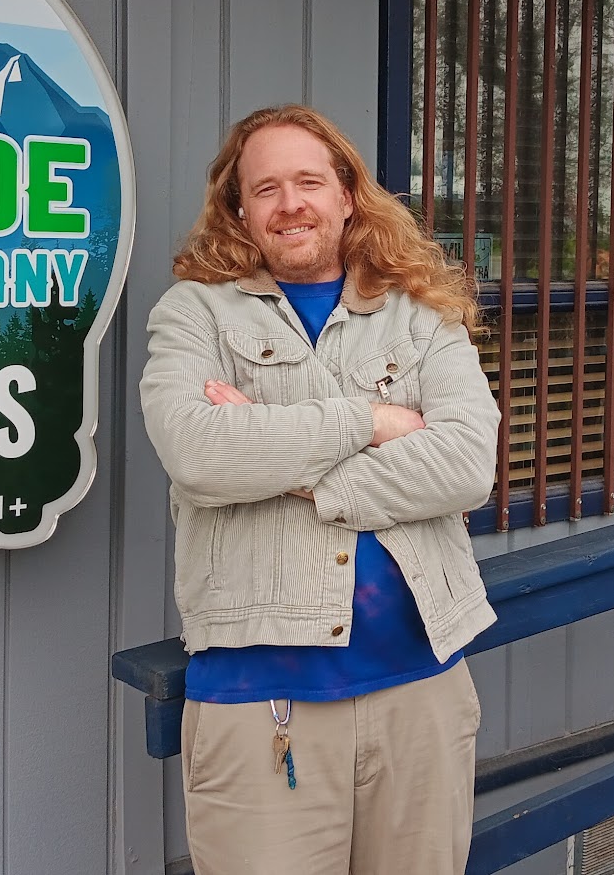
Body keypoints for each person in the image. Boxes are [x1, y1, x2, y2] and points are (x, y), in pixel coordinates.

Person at [140, 104, 501, 874]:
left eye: (308, 181)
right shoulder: (194, 313)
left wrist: (287, 464)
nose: (290, 203)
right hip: (262, 707)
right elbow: (198, 452)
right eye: (265, 188)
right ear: (239, 208)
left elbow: (468, 462)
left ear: (346, 192)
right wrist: (370, 418)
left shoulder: (419, 312)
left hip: (422, 695)